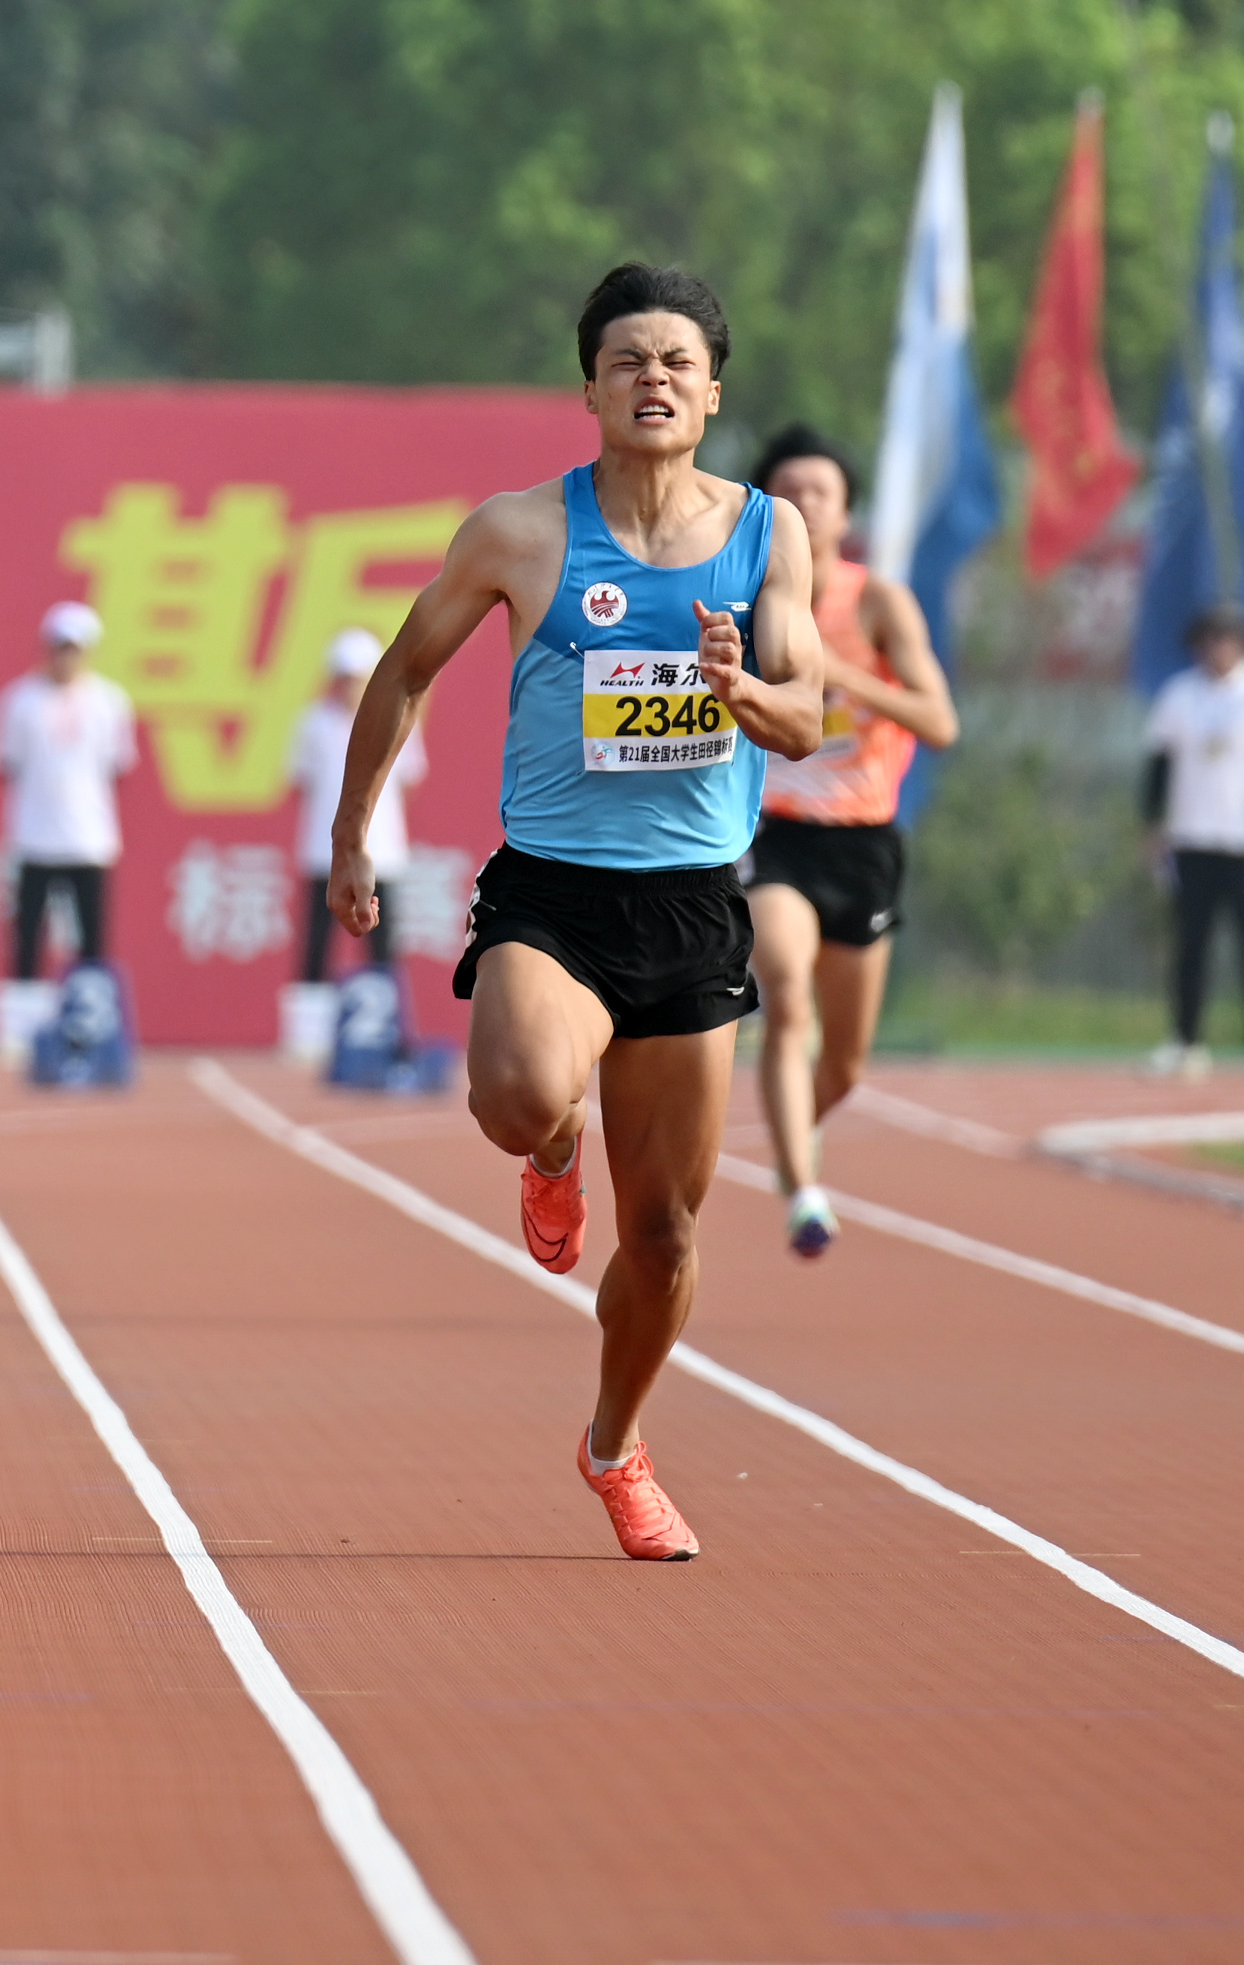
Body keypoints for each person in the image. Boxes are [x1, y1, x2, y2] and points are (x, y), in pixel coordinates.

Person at [327, 264, 824, 1561]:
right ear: (590, 387)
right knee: (514, 1095)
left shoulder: (769, 533)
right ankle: (551, 1157)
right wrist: (350, 833)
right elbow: (403, 670)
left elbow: (808, 719)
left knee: (662, 1237)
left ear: (712, 390)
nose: (652, 379)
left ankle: (615, 1445)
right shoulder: (519, 532)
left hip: (694, 909)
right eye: (626, 361)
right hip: (553, 892)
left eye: (676, 361)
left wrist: (740, 693)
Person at [741, 425, 957, 1252]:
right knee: (785, 996)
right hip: (778, 835)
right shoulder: (747, 596)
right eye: (786, 490)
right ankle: (803, 1189)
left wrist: (847, 676)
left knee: (844, 1066)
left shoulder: (877, 603)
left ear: (843, 510)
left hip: (864, 844)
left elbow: (939, 720)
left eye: (819, 490)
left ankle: (797, 1133)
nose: (803, 502)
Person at [0, 600, 138, 978]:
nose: (65, 657)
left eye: (74, 649)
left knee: (92, 938)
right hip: (34, 838)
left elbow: (117, 765)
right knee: (27, 936)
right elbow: (7, 763)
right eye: (59, 647)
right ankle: (19, 1024)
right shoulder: (20, 700)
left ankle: (89, 1020)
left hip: (88, 839)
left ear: (88, 652)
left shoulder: (109, 702)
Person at [290, 627, 425, 981]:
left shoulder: (397, 717)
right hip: (326, 851)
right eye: (344, 678)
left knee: (383, 942)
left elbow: (408, 779)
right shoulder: (314, 723)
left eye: (358, 679)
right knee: (318, 941)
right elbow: (302, 781)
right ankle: (308, 1029)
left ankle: (385, 1023)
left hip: (382, 850)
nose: (350, 687)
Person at [1146, 604, 1244, 1080]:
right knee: (1191, 946)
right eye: (1209, 639)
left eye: (1226, 639)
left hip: (1241, 841)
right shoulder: (1179, 696)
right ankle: (1187, 1042)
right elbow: (1158, 767)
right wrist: (1151, 826)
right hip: (1192, 840)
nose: (1217, 649)